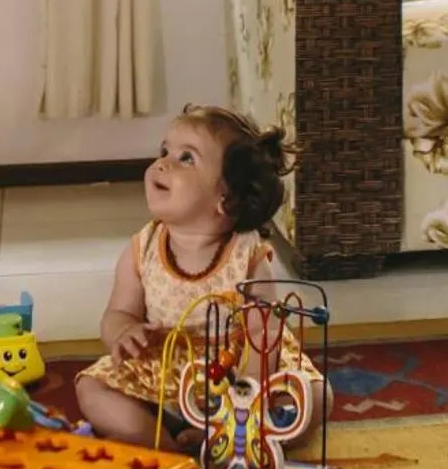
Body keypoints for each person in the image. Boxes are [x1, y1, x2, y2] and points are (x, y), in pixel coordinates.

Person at [73, 104, 327, 448]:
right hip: (162, 371)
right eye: (164, 151)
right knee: (91, 388)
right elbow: (117, 312)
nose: (162, 163)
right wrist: (123, 332)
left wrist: (247, 396)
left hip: (238, 371)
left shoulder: (247, 257)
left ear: (225, 199)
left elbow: (263, 333)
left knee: (317, 396)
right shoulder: (142, 249)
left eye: (186, 158)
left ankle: (230, 433)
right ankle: (164, 445)